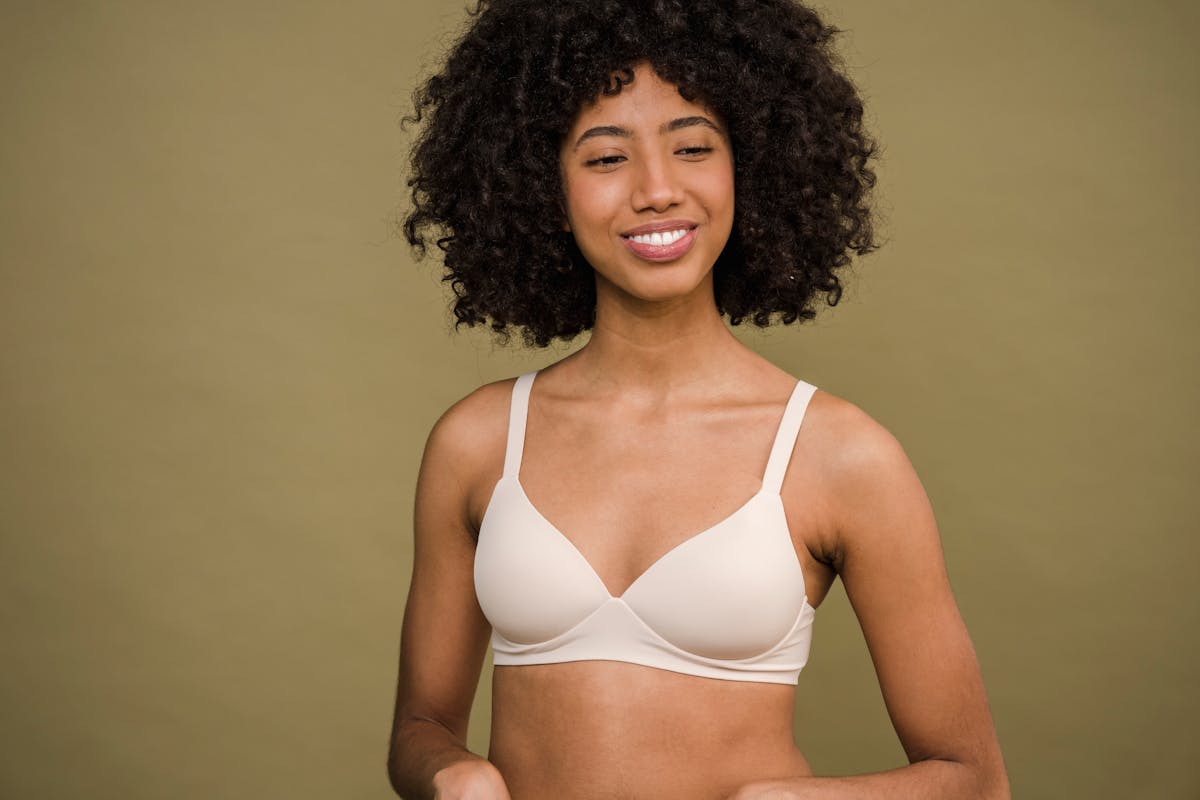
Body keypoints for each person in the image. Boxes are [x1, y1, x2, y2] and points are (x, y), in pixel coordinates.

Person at [387, 1, 1010, 798]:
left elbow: (975, 781)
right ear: (539, 185)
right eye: (606, 159)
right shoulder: (477, 441)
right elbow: (419, 726)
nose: (656, 190)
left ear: (752, 163)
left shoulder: (839, 455)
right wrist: (454, 776)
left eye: (692, 148)